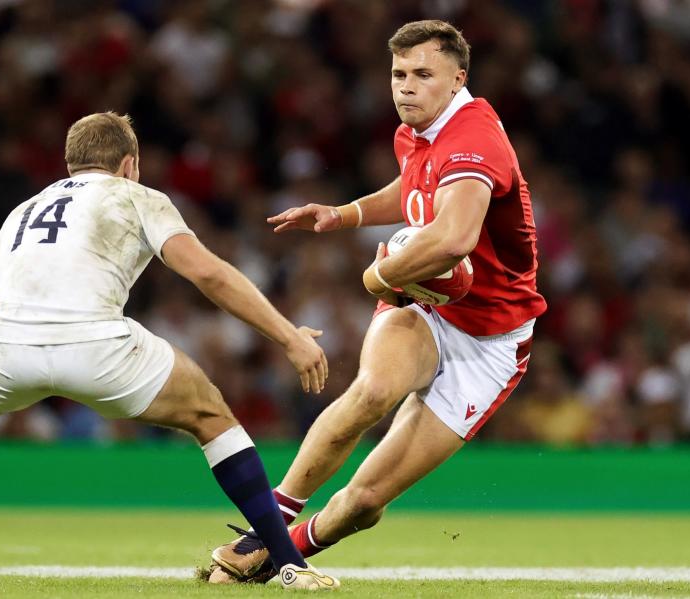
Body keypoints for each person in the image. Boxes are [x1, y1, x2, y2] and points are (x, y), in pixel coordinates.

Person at [0, 112, 339, 591]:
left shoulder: (22, 213)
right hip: (98, 350)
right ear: (129, 164)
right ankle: (289, 565)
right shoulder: (136, 195)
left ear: (69, 164)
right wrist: (289, 336)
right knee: (211, 415)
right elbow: (207, 272)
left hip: (7, 350)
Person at [208, 19, 547, 583]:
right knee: (372, 392)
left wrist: (376, 278)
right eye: (398, 74)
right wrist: (343, 215)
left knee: (363, 502)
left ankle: (282, 549)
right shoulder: (415, 132)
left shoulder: (473, 137)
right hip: (427, 305)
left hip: (490, 342)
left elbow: (456, 238)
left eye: (422, 74)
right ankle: (265, 529)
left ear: (458, 77)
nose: (405, 87)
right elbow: (413, 189)